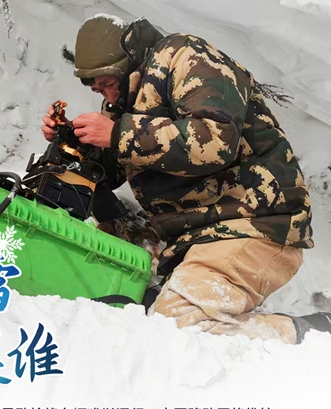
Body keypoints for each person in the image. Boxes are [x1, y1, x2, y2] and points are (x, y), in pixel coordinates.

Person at [41, 14, 329, 344]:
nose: (105, 96)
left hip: (255, 224)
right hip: (200, 235)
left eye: (107, 83)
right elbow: (117, 167)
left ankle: (315, 334)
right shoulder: (126, 100)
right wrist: (73, 143)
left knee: (180, 326)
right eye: (97, 89)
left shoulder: (186, 58)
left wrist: (119, 134)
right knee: (148, 307)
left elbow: (216, 141)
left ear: (126, 65)